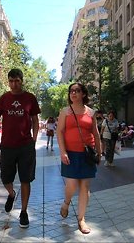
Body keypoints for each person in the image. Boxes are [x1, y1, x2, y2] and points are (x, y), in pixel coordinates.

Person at [0, 68, 41, 229]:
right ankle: (11, 194)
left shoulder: (30, 98)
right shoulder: (4, 98)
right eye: (11, 81)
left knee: (26, 179)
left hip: (26, 146)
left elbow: (35, 120)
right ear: (8, 81)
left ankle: (23, 212)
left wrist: (34, 138)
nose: (14, 84)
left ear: (22, 80)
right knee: (6, 178)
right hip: (7, 146)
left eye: (17, 80)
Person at [57, 83, 102, 234]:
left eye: (77, 91)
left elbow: (95, 133)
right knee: (72, 184)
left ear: (83, 94)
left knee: (85, 186)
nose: (73, 93)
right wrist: (63, 152)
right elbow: (59, 132)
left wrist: (99, 151)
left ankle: (81, 219)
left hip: (87, 154)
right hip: (70, 153)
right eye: (71, 91)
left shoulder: (91, 113)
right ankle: (66, 203)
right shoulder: (65, 112)